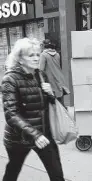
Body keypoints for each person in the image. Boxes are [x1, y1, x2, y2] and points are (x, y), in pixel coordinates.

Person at [2, 38, 65, 181]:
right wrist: (34, 135)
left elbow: (48, 104)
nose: (36, 58)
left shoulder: (41, 75)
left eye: (37, 54)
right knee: (13, 171)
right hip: (19, 138)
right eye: (31, 55)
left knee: (57, 174)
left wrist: (50, 94)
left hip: (44, 134)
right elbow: (11, 114)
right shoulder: (10, 79)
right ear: (20, 58)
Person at [39, 39, 70, 105]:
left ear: (43, 46)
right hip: (59, 79)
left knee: (53, 102)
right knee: (61, 100)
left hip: (51, 80)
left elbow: (41, 69)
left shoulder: (43, 55)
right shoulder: (57, 54)